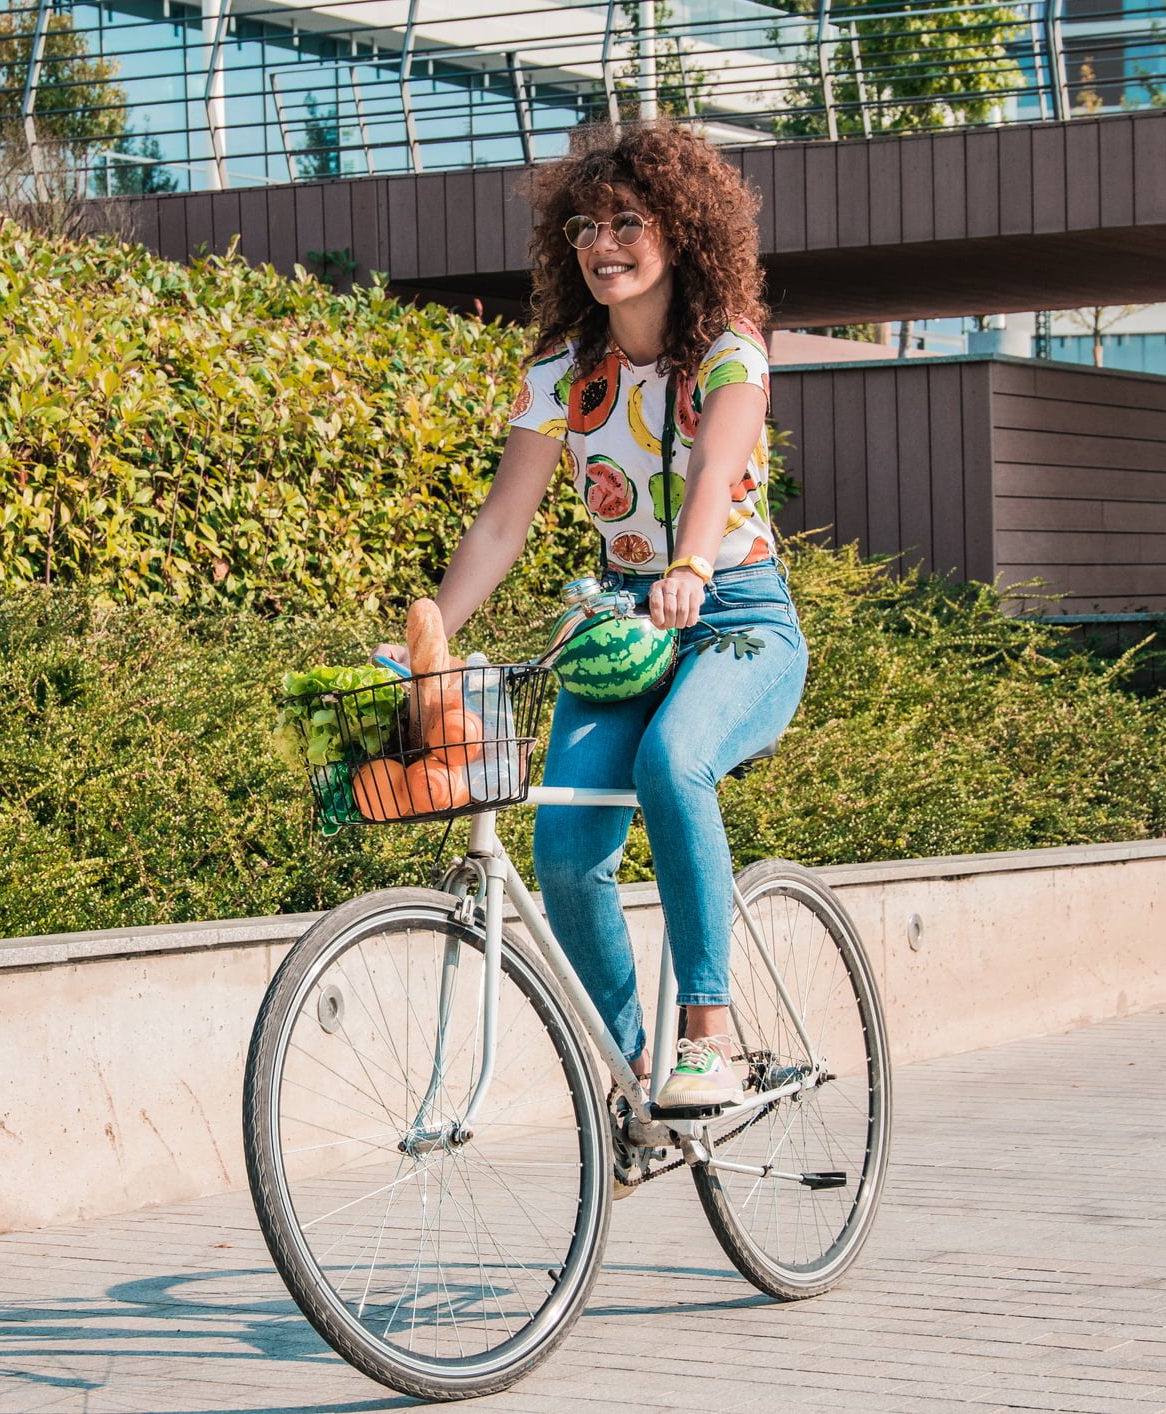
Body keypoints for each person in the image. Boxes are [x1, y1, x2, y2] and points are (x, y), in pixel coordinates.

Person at [378, 118, 807, 1118]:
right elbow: (499, 525)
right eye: (585, 228)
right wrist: (428, 633)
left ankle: (707, 1032)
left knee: (673, 763)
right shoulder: (564, 376)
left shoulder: (729, 354)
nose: (602, 244)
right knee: (564, 846)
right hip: (620, 629)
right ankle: (626, 1075)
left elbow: (715, 466)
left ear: (682, 234)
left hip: (736, 615)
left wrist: (693, 565)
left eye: (627, 222)